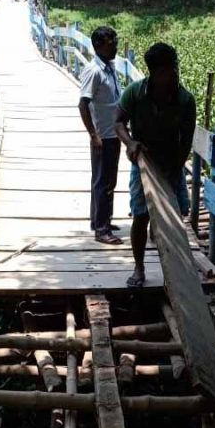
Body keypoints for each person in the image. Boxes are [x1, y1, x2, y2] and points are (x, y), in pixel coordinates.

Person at [115, 42, 196, 288]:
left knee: (176, 214)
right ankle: (139, 268)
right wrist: (130, 143)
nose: (175, 73)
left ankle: (177, 270)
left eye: (175, 68)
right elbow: (118, 122)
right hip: (143, 162)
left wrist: (175, 167)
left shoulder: (184, 100)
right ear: (157, 72)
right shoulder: (135, 93)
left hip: (172, 162)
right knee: (141, 215)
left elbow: (186, 140)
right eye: (170, 69)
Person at [79, 26, 123, 245]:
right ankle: (102, 230)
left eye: (115, 41)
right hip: (103, 134)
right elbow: (83, 104)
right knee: (103, 181)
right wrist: (93, 134)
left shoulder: (109, 67)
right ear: (98, 46)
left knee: (107, 180)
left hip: (113, 133)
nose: (114, 46)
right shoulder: (94, 71)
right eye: (110, 43)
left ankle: (100, 220)